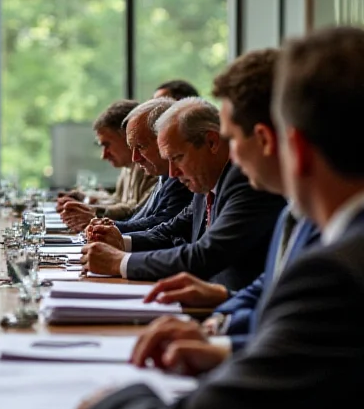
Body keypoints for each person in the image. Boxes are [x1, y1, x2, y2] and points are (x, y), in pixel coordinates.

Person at [76, 25, 364, 409]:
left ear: (285, 145)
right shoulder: (314, 227)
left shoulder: (335, 272)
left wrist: (107, 400)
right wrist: (222, 345)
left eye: (231, 139)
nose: (229, 154)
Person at [129, 49, 322, 371]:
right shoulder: (299, 214)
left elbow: (300, 352)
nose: (232, 155)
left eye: (231, 139)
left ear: (264, 139)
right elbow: (268, 288)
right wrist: (218, 326)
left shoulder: (339, 240)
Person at [82, 97, 284, 291]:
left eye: (177, 157)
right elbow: (171, 230)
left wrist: (120, 262)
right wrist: (122, 241)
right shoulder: (204, 182)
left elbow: (206, 254)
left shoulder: (245, 182)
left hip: (226, 310)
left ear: (212, 142)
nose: (172, 173)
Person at [86, 97, 192, 235]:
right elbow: (143, 217)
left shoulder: (178, 176)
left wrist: (109, 228)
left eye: (140, 146)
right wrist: (105, 226)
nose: (135, 158)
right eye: (132, 147)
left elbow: (165, 227)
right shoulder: (163, 174)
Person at [59, 100, 158, 231]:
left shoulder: (153, 166)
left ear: (127, 137)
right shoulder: (128, 167)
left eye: (107, 145)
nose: (103, 155)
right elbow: (118, 200)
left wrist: (94, 212)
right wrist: (85, 198)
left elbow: (137, 212)